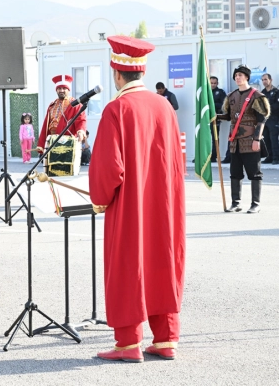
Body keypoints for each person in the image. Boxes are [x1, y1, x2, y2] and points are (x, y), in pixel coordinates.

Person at [89, 35, 186, 363]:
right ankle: (166, 338)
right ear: (141, 72)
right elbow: (177, 161)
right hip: (165, 204)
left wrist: (99, 198)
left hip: (130, 205)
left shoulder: (116, 109)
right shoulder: (164, 107)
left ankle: (129, 342)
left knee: (129, 266)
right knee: (163, 262)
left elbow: (107, 169)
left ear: (117, 74)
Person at [217, 65, 270, 214]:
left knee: (255, 173)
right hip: (235, 142)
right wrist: (215, 117)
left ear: (246, 77)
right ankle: (235, 203)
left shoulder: (256, 96)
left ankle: (255, 204)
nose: (237, 78)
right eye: (236, 75)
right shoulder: (231, 96)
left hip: (250, 140)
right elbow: (227, 116)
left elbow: (262, 119)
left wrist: (256, 139)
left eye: (240, 75)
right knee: (235, 173)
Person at [35, 75, 87, 155]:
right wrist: (42, 144)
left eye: (64, 88)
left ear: (68, 90)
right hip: (52, 141)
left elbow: (81, 119)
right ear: (56, 90)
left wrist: (80, 131)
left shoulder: (75, 104)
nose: (61, 90)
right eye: (59, 88)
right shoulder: (52, 105)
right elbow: (46, 125)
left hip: (67, 142)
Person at [260, 73, 279, 165]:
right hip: (265, 119)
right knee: (266, 138)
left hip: (274, 118)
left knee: (274, 139)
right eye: (263, 80)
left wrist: (268, 108)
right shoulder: (262, 92)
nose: (264, 81)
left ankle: (276, 158)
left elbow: (277, 105)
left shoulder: (276, 91)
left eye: (266, 79)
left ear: (270, 80)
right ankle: (269, 157)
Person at [209, 76, 228, 163]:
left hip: (215, 117)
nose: (213, 85)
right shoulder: (204, 92)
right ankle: (203, 156)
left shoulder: (220, 92)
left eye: (214, 83)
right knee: (203, 138)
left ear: (217, 83)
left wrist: (212, 104)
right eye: (211, 83)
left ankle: (214, 156)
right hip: (205, 118)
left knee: (215, 138)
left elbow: (224, 105)